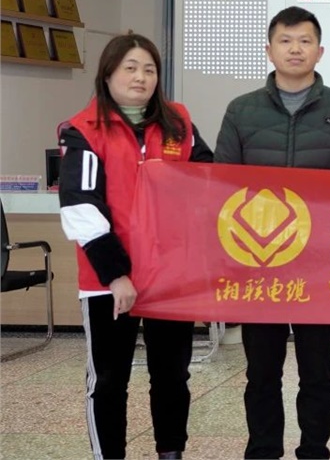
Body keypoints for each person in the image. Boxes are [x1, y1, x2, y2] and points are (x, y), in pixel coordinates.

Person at [215, 6, 330, 460]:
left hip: (319, 266)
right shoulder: (241, 110)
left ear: (320, 51)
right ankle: (263, 450)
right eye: (285, 40)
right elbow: (221, 186)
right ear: (269, 50)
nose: (295, 49)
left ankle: (315, 450)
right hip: (258, 265)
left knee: (317, 370)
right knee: (262, 371)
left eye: (304, 41)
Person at [59, 33, 214, 460]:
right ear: (108, 74)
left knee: (172, 376)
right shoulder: (83, 130)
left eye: (149, 69)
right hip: (108, 282)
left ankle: (171, 452)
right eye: (130, 68)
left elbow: (206, 181)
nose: (140, 77)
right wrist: (116, 275)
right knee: (110, 379)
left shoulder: (178, 124)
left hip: (170, 277)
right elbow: (81, 207)